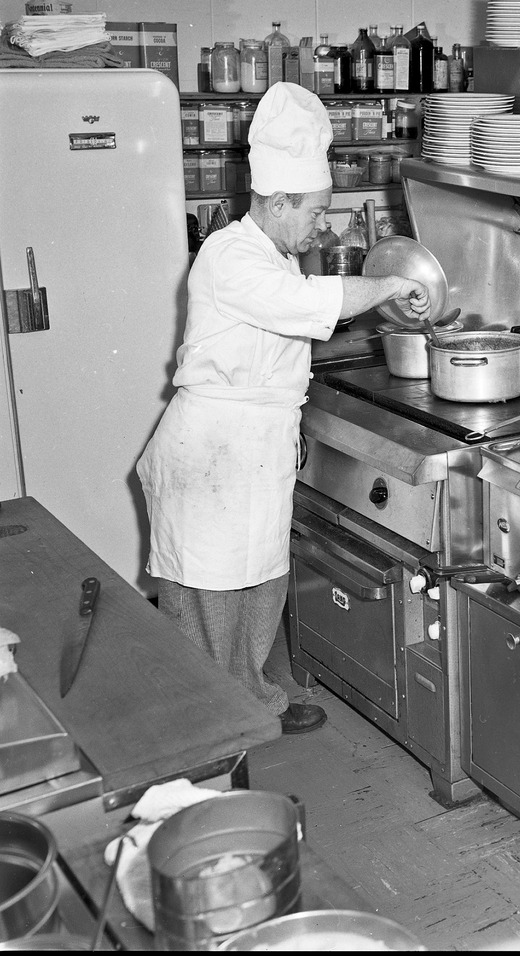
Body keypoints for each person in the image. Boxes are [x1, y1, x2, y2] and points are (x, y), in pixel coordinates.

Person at [137, 83, 429, 735]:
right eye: (316, 210)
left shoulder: (276, 258)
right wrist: (387, 284)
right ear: (278, 200)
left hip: (254, 447)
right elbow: (301, 308)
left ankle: (252, 695)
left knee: (259, 584)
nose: (322, 223)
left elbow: (278, 352)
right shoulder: (228, 256)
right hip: (210, 454)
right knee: (210, 597)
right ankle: (208, 724)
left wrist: (288, 423)